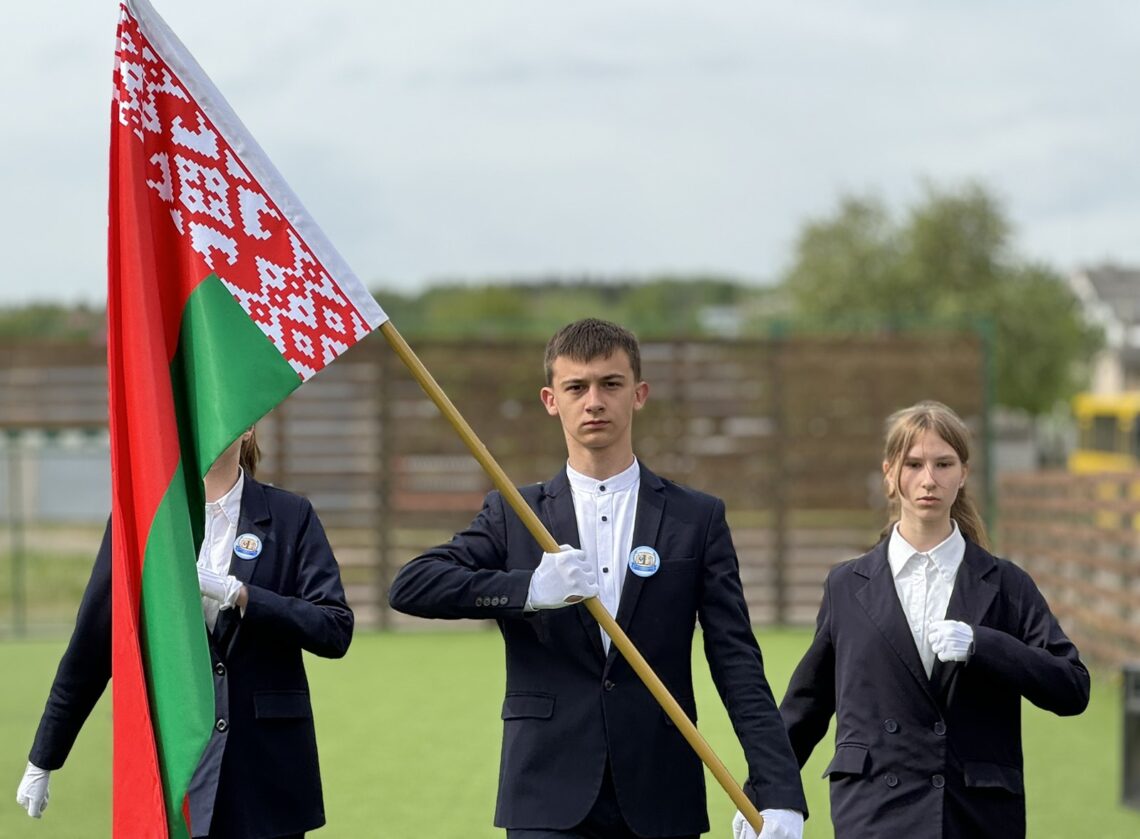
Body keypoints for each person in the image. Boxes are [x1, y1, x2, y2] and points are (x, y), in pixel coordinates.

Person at [388, 318, 807, 839]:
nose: (594, 401)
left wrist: (780, 791)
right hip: (546, 794)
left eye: (611, 384)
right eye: (576, 387)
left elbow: (737, 661)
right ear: (550, 399)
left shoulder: (695, 518)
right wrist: (530, 591)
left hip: (661, 791)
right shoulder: (515, 513)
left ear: (639, 394)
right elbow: (412, 585)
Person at [15, 427, 353, 839]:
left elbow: (334, 629)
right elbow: (91, 646)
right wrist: (44, 757)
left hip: (265, 775)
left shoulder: (290, 515)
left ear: (247, 430)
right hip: (174, 765)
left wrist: (242, 595)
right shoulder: (144, 519)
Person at [779, 400, 1090, 839]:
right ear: (890, 473)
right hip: (874, 813)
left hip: (974, 816)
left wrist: (984, 645)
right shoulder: (847, 585)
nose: (929, 479)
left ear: (963, 474)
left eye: (944, 464)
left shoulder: (1006, 584)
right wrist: (768, 792)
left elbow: (1072, 687)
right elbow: (806, 706)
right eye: (914, 464)